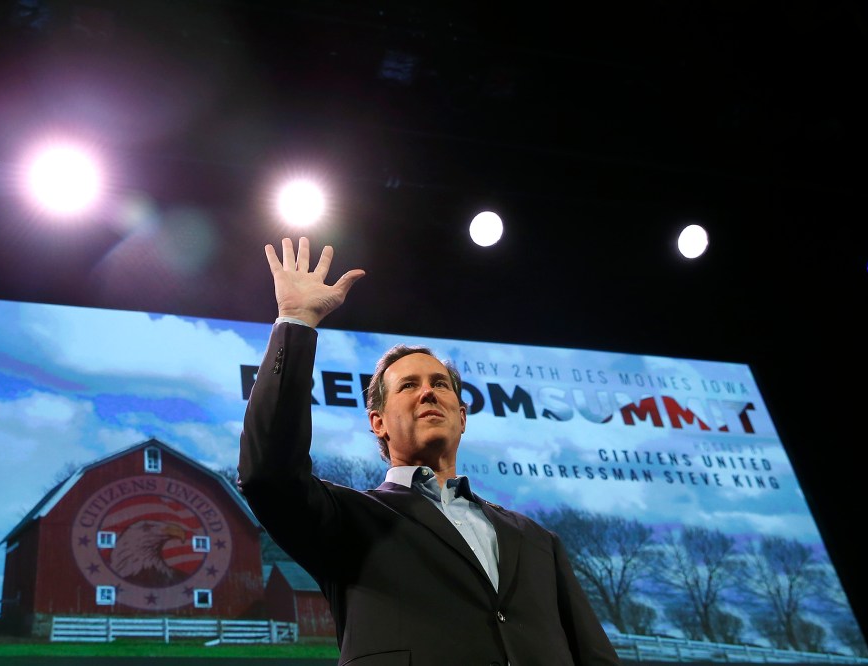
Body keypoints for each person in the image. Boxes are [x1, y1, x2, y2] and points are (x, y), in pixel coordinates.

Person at [238, 237, 620, 666]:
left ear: (462, 416)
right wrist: (295, 321)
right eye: (408, 386)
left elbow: (594, 655)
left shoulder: (538, 541)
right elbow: (267, 474)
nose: (428, 394)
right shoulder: (347, 520)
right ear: (377, 422)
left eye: (439, 384)